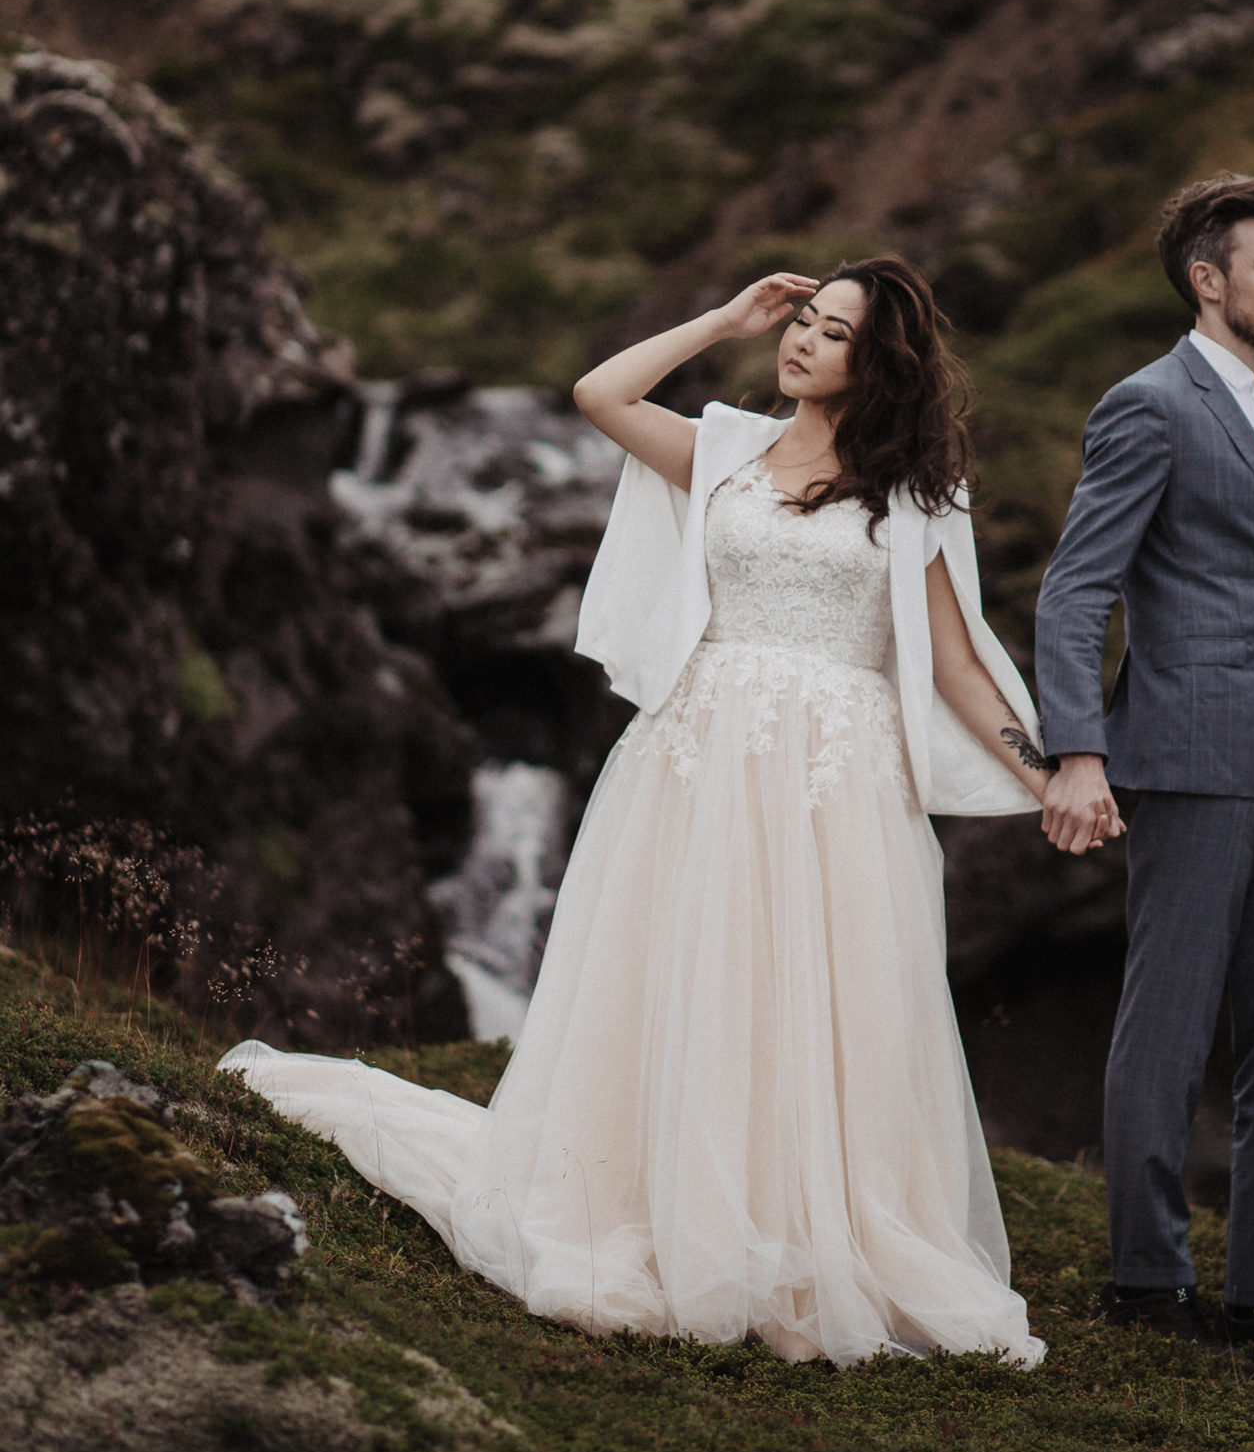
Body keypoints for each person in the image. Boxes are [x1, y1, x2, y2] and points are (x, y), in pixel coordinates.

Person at [222, 258, 1050, 1369]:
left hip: (834, 781)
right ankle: (667, 1210)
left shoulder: (911, 499)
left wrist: (1052, 775)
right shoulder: (725, 448)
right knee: (691, 976)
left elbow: (952, 665)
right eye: (800, 320)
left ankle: (809, 1227)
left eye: (832, 331)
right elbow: (600, 396)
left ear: (881, 363)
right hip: (698, 755)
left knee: (819, 994)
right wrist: (721, 319)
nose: (801, 340)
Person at [1033, 175, 1254, 1359]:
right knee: (1169, 1025)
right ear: (1207, 279)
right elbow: (1077, 586)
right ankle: (1144, 1284)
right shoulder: (1146, 405)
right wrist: (1076, 750)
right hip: (1182, 759)